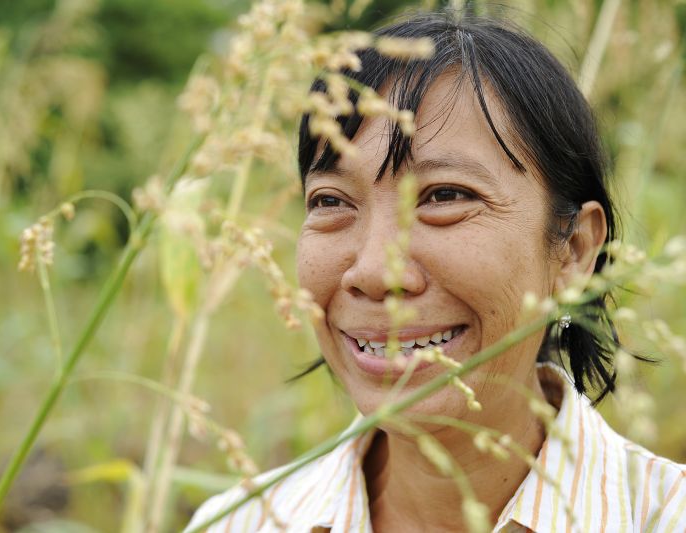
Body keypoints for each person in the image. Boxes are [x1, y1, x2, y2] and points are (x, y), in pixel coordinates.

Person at [187, 11, 686, 532]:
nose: (375, 272)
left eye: (445, 196)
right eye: (331, 200)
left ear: (574, 251)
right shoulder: (239, 522)